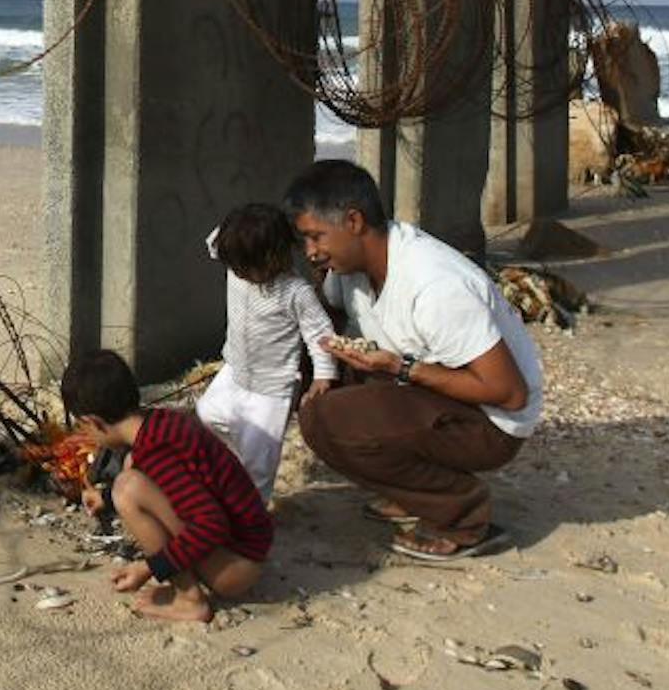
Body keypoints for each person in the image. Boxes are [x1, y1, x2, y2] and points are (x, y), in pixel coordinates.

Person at [286, 159, 545, 562]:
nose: (311, 252)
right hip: (432, 393)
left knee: (325, 419)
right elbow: (329, 319)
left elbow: (510, 394)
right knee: (309, 368)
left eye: (316, 237)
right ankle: (412, 493)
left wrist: (399, 368)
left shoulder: (435, 286)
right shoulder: (351, 267)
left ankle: (462, 516)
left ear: (353, 222)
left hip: (491, 422)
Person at [62, 348, 270, 622]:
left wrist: (149, 567)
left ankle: (189, 600)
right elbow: (171, 489)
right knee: (129, 475)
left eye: (83, 428)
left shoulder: (157, 453)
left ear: (94, 422)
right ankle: (189, 585)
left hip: (237, 565)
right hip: (246, 548)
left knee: (127, 488)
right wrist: (105, 500)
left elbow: (211, 524)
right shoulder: (159, 425)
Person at [197, 202, 338, 504]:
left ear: (276, 257)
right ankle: (232, 470)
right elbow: (217, 242)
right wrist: (237, 229)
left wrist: (324, 374)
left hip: (272, 388)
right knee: (207, 414)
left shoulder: (294, 291)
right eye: (237, 268)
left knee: (259, 459)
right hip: (234, 370)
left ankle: (253, 512)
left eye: (251, 268)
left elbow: (319, 332)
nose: (243, 274)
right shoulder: (237, 260)